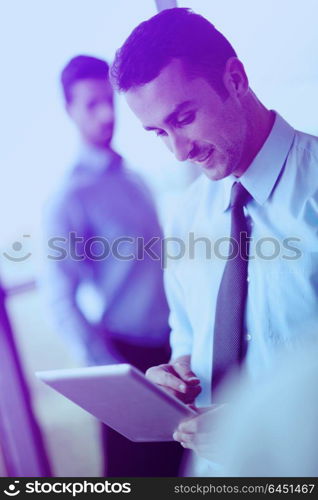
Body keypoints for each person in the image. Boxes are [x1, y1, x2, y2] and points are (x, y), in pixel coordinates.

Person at [110, 8, 318, 473]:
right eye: (158, 133)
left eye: (183, 118)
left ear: (236, 79)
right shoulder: (186, 215)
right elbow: (188, 335)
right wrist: (174, 375)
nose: (179, 150)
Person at [43, 54, 183, 477]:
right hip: (128, 359)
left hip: (172, 351)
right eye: (91, 104)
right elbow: (59, 300)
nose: (106, 113)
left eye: (109, 100)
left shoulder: (134, 178)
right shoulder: (70, 197)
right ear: (69, 110)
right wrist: (115, 384)